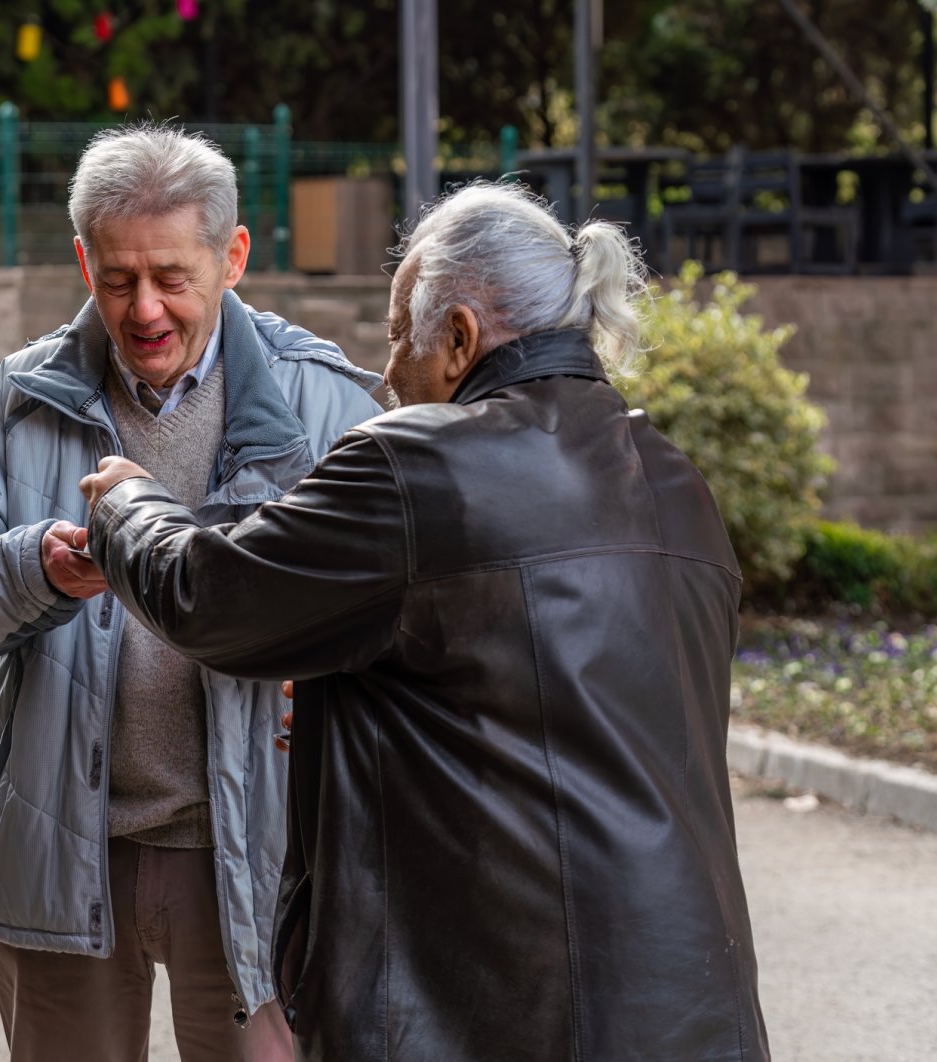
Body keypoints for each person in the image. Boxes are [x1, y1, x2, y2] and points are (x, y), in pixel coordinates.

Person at [79, 181, 770, 1061]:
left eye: (401, 332)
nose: (387, 371)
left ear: (460, 337)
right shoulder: (677, 481)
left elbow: (208, 596)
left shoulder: (417, 465)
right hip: (690, 1006)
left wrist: (131, 505)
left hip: (492, 1007)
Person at [0, 123, 381, 1061]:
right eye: (116, 280)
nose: (144, 309)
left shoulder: (333, 408)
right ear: (82, 262)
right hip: (66, 852)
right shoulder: (15, 401)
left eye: (172, 278)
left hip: (261, 869)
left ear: (232, 256)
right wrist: (35, 567)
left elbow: (402, 611)